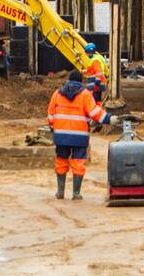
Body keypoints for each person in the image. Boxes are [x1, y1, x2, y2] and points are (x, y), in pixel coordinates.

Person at [46, 69, 117, 200]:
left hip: (61, 135)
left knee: (61, 160)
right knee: (78, 162)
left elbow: (50, 113)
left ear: (68, 80)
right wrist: (109, 119)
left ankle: (60, 192)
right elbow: (95, 112)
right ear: (81, 81)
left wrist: (53, 127)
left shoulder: (57, 93)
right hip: (79, 135)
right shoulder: (85, 94)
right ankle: (76, 193)